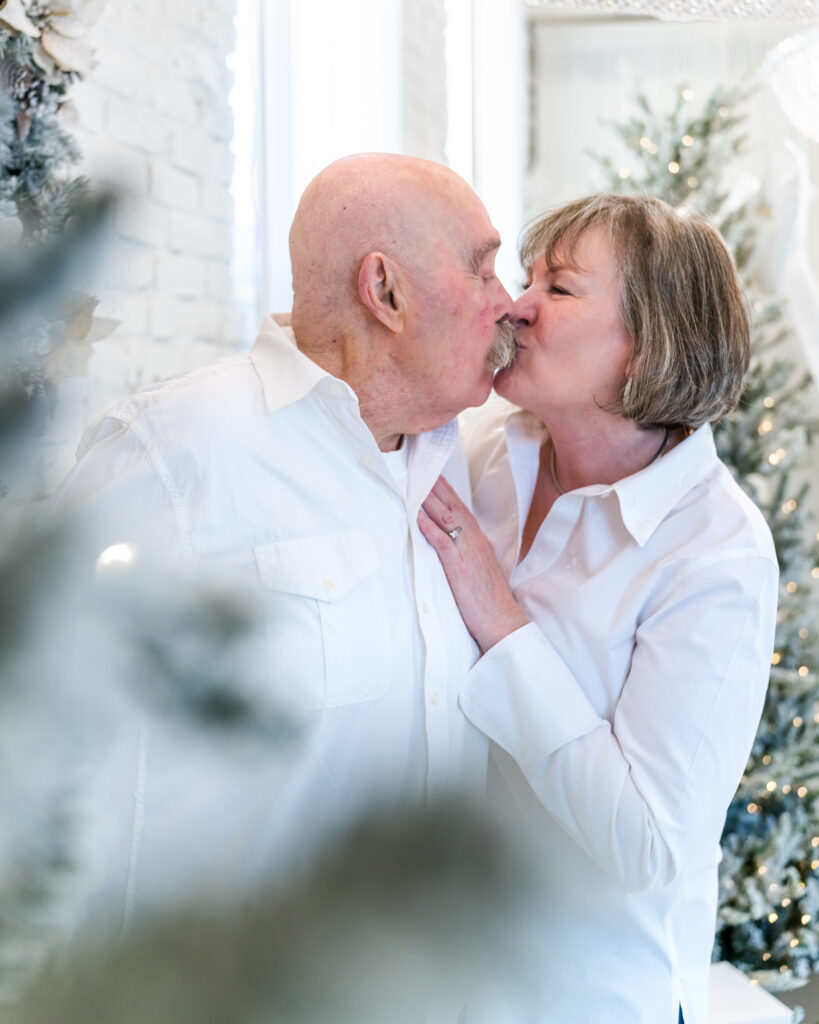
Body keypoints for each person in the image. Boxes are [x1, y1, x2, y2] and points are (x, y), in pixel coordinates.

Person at [48, 153, 516, 932]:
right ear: (385, 292)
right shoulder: (174, 453)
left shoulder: (454, 460)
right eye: (483, 271)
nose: (508, 303)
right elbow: (40, 742)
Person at [418, 194, 778, 1024]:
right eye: (527, 277)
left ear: (646, 345)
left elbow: (647, 843)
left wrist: (501, 622)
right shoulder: (477, 456)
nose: (516, 304)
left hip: (588, 999)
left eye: (562, 289)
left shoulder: (715, 552)